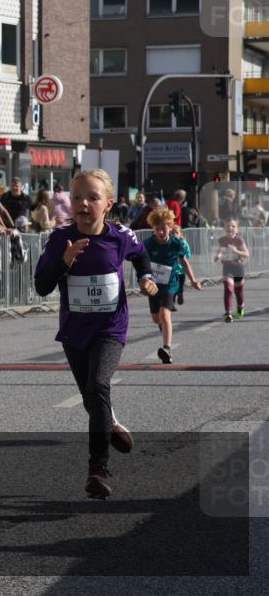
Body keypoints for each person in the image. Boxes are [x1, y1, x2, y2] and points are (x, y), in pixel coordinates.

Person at [34, 169, 158, 500]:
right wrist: (64, 261)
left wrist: (146, 277)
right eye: (76, 197)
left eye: (92, 198)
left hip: (110, 327)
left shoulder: (121, 236)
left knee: (98, 386)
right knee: (92, 398)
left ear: (108, 204)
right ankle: (112, 423)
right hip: (75, 331)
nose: (83, 203)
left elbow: (142, 256)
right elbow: (41, 286)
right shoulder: (60, 239)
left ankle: (98, 469)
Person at [143, 208, 202, 364]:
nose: (161, 232)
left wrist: (193, 280)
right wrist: (142, 277)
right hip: (154, 286)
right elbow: (140, 261)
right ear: (153, 229)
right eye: (157, 229)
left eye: (163, 228)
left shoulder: (177, 243)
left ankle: (166, 349)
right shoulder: (148, 244)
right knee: (156, 319)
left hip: (170, 283)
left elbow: (184, 262)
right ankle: (164, 329)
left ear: (170, 226)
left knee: (164, 314)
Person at [215, 218, 250, 322]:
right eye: (228, 226)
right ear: (225, 228)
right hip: (227, 267)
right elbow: (220, 251)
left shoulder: (239, 240)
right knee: (228, 289)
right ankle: (228, 313)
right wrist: (218, 256)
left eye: (233, 226)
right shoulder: (222, 240)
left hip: (238, 267)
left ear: (237, 229)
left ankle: (240, 306)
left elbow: (247, 254)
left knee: (238, 292)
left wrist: (236, 250)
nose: (230, 228)